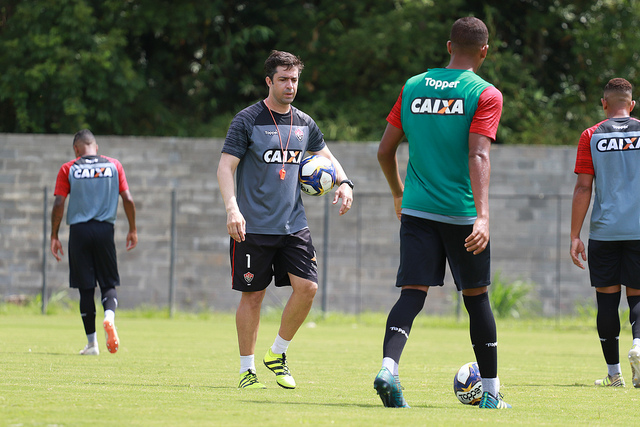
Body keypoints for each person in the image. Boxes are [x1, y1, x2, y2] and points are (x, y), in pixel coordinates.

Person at [373, 17, 510, 409]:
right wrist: (482, 216)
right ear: (484, 51)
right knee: (477, 299)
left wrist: (399, 195)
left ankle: (389, 368)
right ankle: (490, 395)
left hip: (417, 209)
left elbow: (384, 151)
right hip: (462, 214)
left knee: (411, 295)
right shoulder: (485, 93)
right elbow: (478, 152)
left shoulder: (413, 86)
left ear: (449, 46)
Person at [217, 50, 354, 389]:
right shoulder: (247, 120)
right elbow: (225, 167)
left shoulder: (305, 123)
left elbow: (326, 157)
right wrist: (232, 208)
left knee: (307, 288)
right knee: (253, 297)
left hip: (294, 225)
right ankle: (246, 370)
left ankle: (277, 353)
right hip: (253, 227)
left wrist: (345, 182)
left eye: (294, 79)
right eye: (283, 79)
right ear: (269, 81)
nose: (290, 85)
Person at [570, 77, 640, 388]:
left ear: (604, 104)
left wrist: (575, 235)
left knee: (607, 302)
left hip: (605, 232)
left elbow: (583, 187)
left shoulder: (591, 135)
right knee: (638, 295)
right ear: (631, 104)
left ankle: (614, 375)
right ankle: (639, 345)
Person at [50, 129, 137, 356]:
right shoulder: (114, 165)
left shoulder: (68, 168)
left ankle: (92, 345)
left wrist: (54, 235)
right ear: (95, 147)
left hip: (79, 232)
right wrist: (133, 229)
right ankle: (109, 317)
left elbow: (59, 203)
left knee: (85, 288)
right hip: (105, 230)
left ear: (76, 149)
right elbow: (128, 199)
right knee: (108, 283)